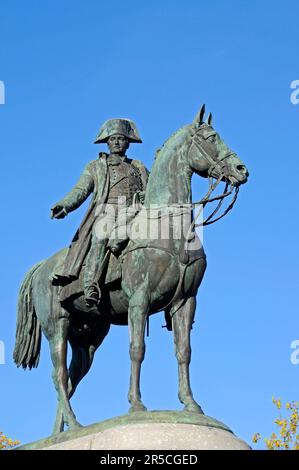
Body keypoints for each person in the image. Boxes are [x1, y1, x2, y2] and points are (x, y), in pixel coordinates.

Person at [51, 118, 149, 307]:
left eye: (121, 138)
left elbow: (155, 190)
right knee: (100, 236)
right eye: (113, 139)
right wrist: (65, 205)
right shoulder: (96, 167)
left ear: (128, 142)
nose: (117, 142)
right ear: (107, 142)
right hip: (108, 211)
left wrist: (147, 196)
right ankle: (91, 285)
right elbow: (80, 190)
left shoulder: (139, 167)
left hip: (135, 211)